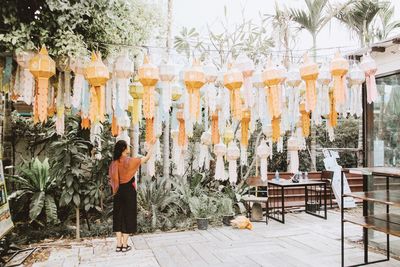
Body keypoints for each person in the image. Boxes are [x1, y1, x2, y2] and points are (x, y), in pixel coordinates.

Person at [108, 140, 154, 252]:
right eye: (128, 146)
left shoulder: (114, 163)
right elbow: (146, 158)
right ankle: (125, 245)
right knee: (128, 216)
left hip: (118, 192)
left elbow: (112, 179)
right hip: (129, 191)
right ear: (124, 149)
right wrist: (152, 146)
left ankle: (118, 245)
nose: (129, 147)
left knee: (118, 217)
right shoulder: (130, 161)